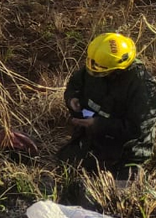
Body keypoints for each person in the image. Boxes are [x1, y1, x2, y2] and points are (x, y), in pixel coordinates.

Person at [60, 33, 156, 178]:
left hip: (125, 151)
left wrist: (98, 124)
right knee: (65, 167)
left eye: (99, 70)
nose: (92, 71)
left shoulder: (143, 89)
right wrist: (71, 98)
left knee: (116, 188)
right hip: (92, 138)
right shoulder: (98, 64)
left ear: (117, 68)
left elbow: (137, 129)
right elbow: (75, 84)